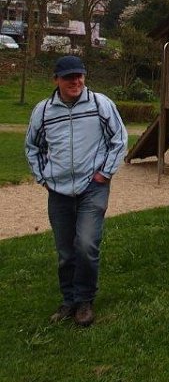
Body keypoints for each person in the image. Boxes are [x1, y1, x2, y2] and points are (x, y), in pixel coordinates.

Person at [25, 55, 127, 326]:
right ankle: (68, 300)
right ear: (56, 80)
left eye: (79, 75)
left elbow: (119, 139)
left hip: (93, 187)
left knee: (86, 244)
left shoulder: (100, 104)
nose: (76, 81)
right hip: (58, 190)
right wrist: (43, 177)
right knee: (65, 251)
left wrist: (105, 173)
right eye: (69, 77)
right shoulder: (43, 111)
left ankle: (84, 301)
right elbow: (33, 146)